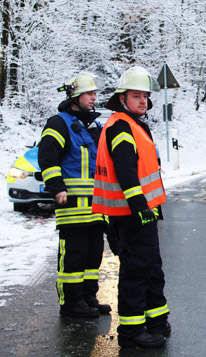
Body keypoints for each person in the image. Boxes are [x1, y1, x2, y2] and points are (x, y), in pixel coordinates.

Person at [92, 66, 170, 348]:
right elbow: (127, 173)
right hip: (131, 215)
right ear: (122, 98)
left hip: (139, 213)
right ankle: (132, 332)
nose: (143, 101)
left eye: (145, 97)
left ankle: (156, 320)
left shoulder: (132, 124)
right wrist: (140, 207)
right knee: (136, 272)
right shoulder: (121, 127)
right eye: (136, 96)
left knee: (151, 268)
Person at [38, 71, 111, 318]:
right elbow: (47, 158)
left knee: (93, 256)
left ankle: (88, 297)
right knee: (73, 257)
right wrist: (57, 188)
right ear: (75, 97)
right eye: (89, 94)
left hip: (96, 207)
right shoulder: (58, 123)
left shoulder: (95, 127)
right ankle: (70, 303)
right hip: (72, 206)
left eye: (94, 94)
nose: (93, 98)